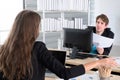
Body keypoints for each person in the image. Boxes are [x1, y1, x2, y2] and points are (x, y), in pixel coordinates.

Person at [0, 10, 117, 80]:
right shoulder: (37, 48)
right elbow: (65, 73)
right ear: (33, 29)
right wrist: (98, 63)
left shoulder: (3, 50)